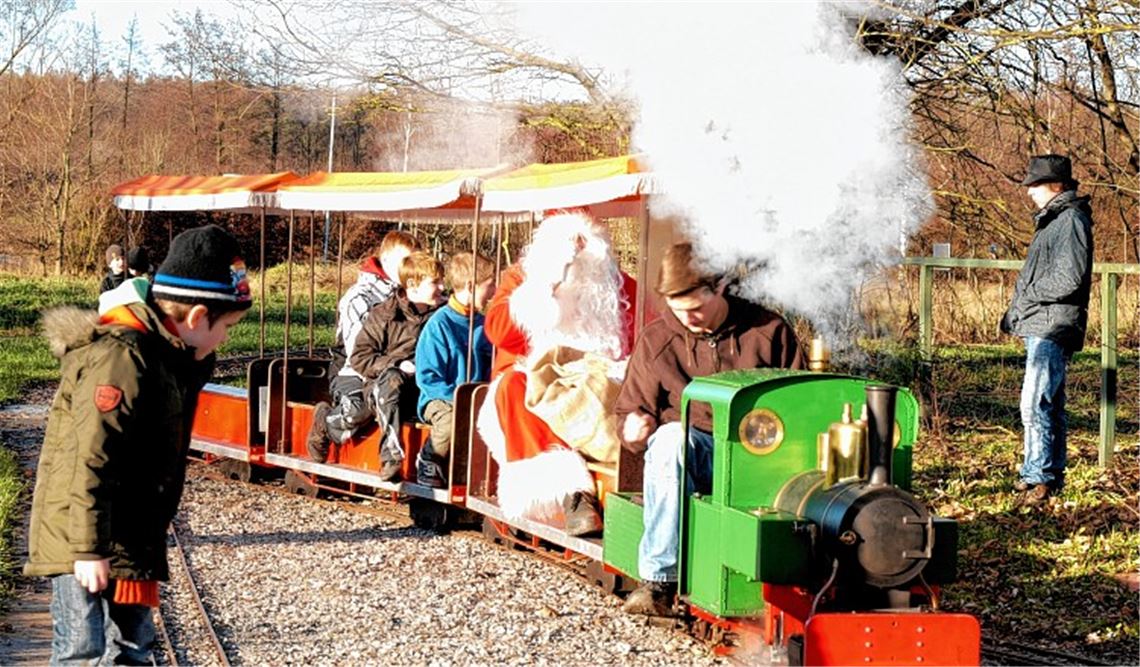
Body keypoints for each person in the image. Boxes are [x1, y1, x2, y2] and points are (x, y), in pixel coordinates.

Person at [24, 224, 253, 664]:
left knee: (132, 647)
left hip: (129, 533)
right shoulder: (120, 358)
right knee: (82, 650)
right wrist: (89, 549)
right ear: (195, 316)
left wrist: (195, 359)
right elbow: (90, 458)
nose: (226, 338)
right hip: (81, 534)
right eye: (225, 326)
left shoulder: (164, 358)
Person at [616, 242, 805, 615]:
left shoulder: (769, 331)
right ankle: (659, 580)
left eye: (696, 308)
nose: (689, 318)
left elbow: (800, 401)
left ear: (719, 286)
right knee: (670, 440)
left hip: (761, 453)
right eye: (678, 310)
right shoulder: (657, 340)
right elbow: (628, 410)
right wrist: (632, 428)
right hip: (695, 453)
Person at [477, 212, 638, 536]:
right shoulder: (520, 280)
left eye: (584, 240)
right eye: (569, 241)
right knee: (516, 389)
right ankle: (571, 493)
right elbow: (498, 332)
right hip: (533, 375)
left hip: (598, 377)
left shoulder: (618, 285)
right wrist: (546, 282)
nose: (577, 249)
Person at [1000, 154, 1094, 505]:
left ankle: (1037, 477)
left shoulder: (1068, 220)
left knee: (1034, 403)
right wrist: (1016, 313)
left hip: (1051, 324)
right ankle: (1048, 476)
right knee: (1049, 404)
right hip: (1045, 321)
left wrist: (1027, 301)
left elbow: (1068, 279)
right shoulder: (1055, 220)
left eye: (1035, 185)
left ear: (1055, 186)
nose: (1030, 192)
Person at [307, 252, 444, 476]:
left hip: (422, 385)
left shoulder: (441, 314)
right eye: (435, 282)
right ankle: (391, 455)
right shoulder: (384, 314)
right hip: (382, 383)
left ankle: (329, 422)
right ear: (413, 285)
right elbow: (360, 357)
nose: (441, 287)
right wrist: (398, 365)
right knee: (390, 381)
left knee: (376, 402)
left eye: (442, 280)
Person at [311, 231, 419, 453]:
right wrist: (395, 368)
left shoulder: (415, 296)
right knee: (362, 407)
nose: (411, 268)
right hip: (354, 372)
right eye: (405, 261)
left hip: (399, 372)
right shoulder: (360, 298)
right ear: (386, 260)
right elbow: (359, 354)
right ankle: (327, 422)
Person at [413, 252, 496, 488]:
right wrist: (457, 399)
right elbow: (428, 378)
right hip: (440, 399)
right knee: (451, 420)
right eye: (489, 286)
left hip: (477, 399)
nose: (493, 292)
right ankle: (430, 457)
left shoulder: (485, 324)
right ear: (471, 286)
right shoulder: (440, 325)